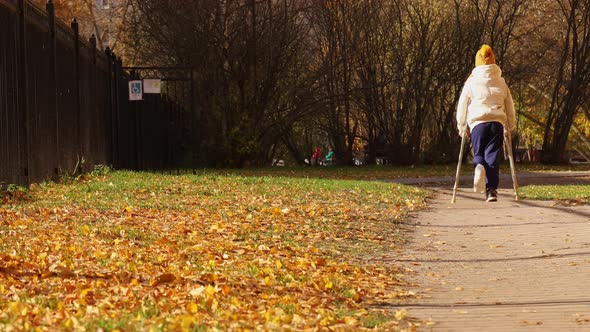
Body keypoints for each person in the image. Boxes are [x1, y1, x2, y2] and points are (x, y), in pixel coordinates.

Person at [456, 44, 516, 202]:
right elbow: (509, 104)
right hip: (496, 122)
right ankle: (491, 191)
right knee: (492, 155)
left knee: (479, 152)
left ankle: (478, 165)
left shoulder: (472, 81)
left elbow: (463, 103)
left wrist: (461, 125)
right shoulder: (501, 81)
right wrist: (510, 124)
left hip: (477, 122)